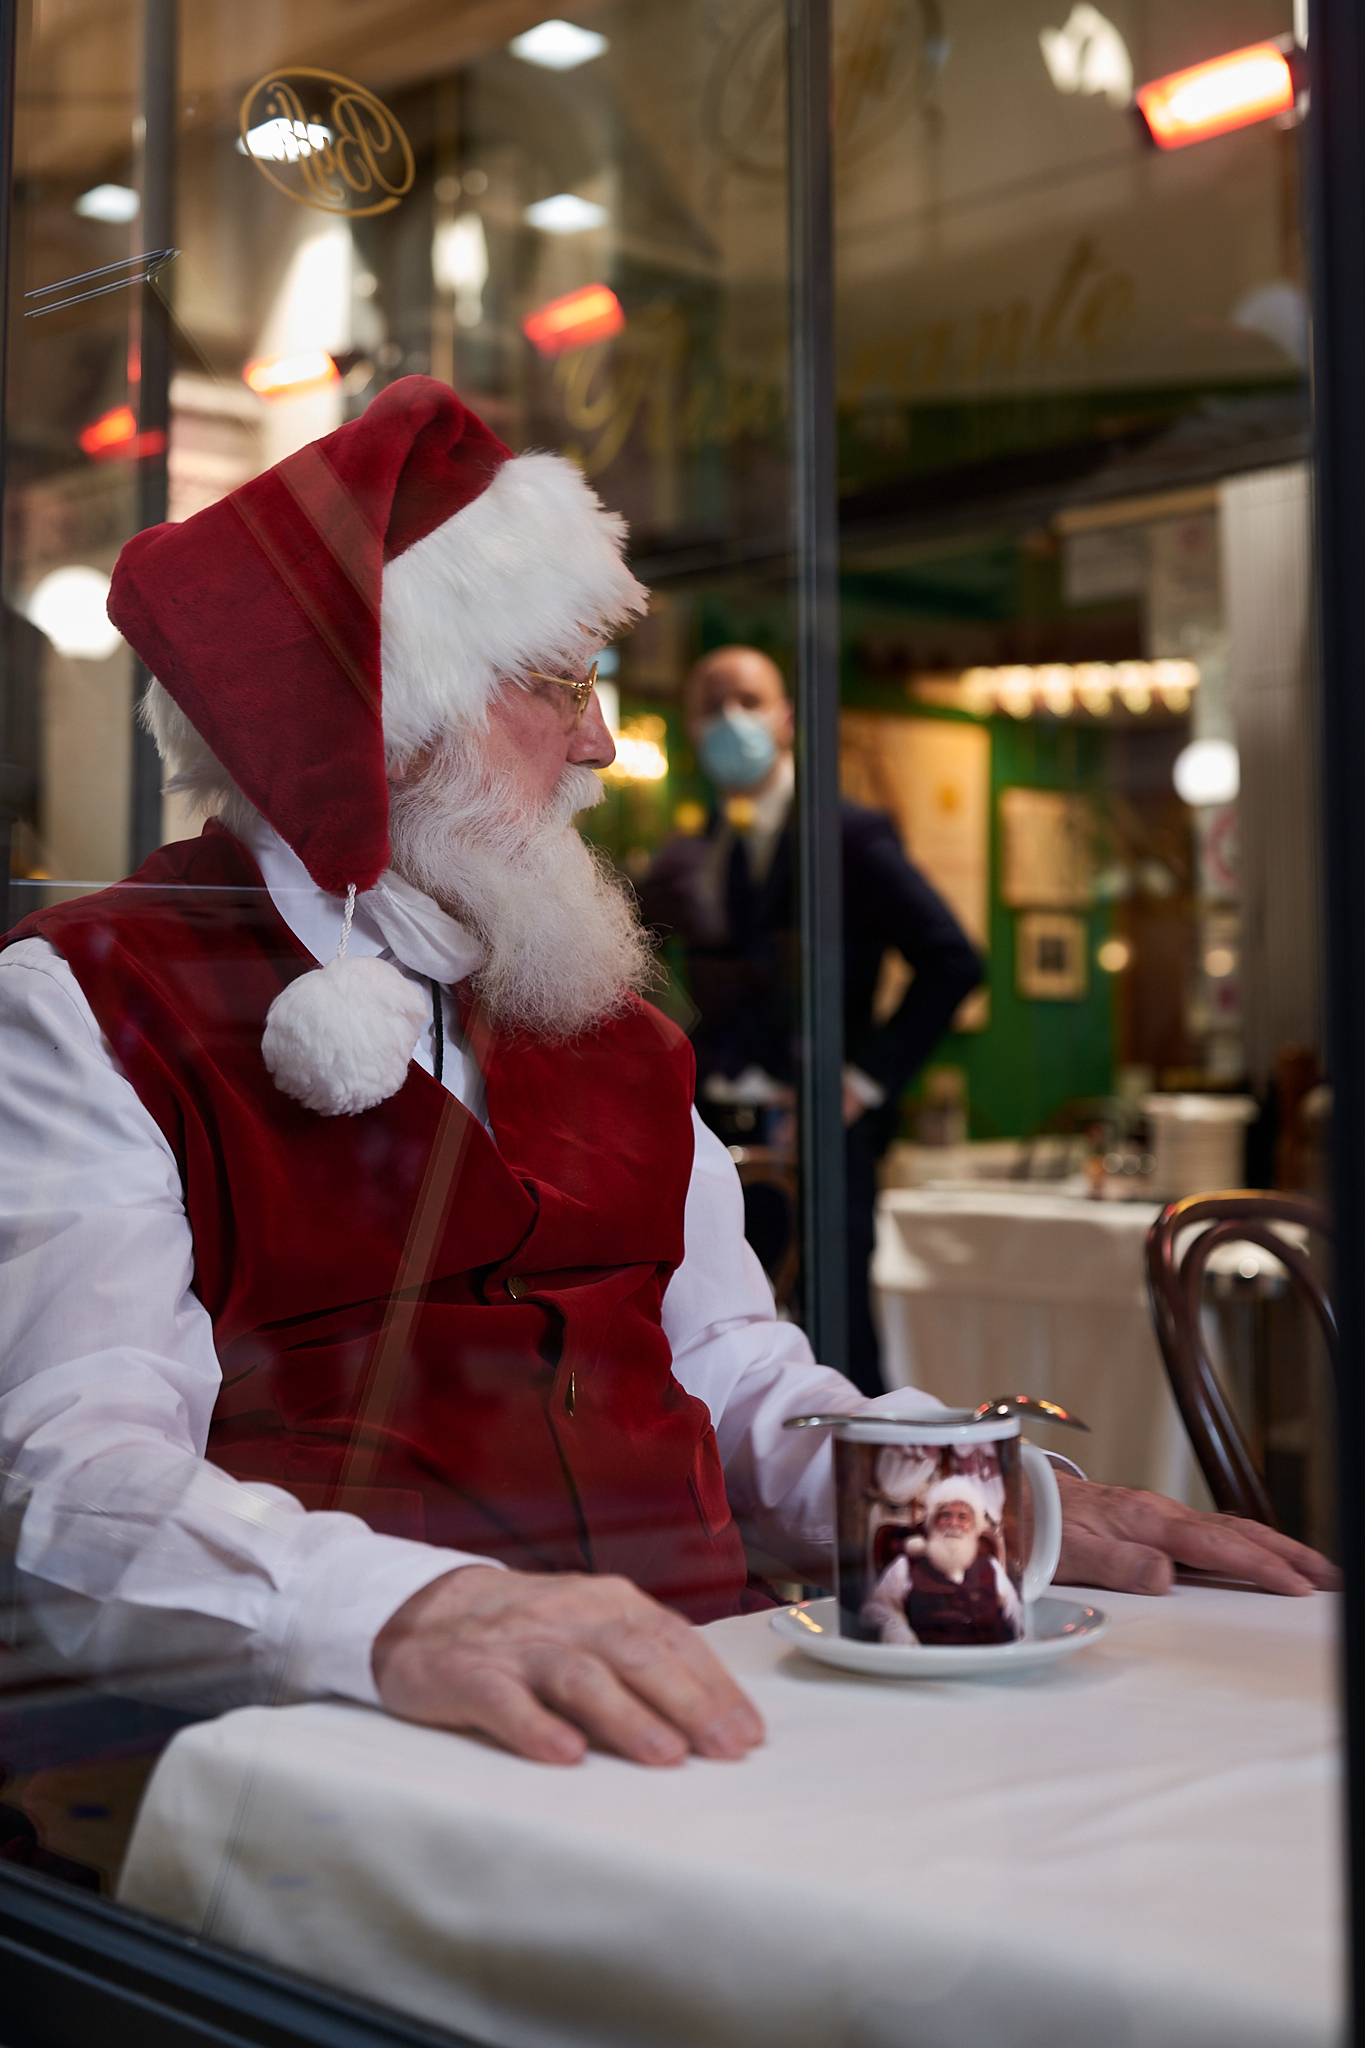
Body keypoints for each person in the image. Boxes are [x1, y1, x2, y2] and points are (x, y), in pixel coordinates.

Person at [0, 381, 1335, 1782]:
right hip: (350, 1768)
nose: (600, 744)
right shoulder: (87, 1002)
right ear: (383, 708)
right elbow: (72, 1482)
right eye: (558, 683)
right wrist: (405, 1614)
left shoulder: (602, 1020)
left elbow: (728, 1371)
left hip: (721, 1716)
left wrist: (989, 1508)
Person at [638, 646, 984, 1394]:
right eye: (712, 705)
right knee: (715, 1345)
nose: (732, 721)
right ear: (690, 728)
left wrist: (857, 1084)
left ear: (786, 718)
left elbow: (952, 960)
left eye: (749, 701)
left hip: (818, 1142)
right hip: (721, 1140)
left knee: (833, 1345)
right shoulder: (697, 852)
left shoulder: (848, 837)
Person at [861, 1478, 1020, 1647]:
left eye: (963, 1517)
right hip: (930, 1666)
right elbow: (873, 1611)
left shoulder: (991, 1567)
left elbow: (1015, 1612)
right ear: (932, 1521)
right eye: (945, 1515)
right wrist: (897, 1630)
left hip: (990, 1663)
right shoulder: (905, 1566)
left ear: (974, 1526)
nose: (953, 1523)